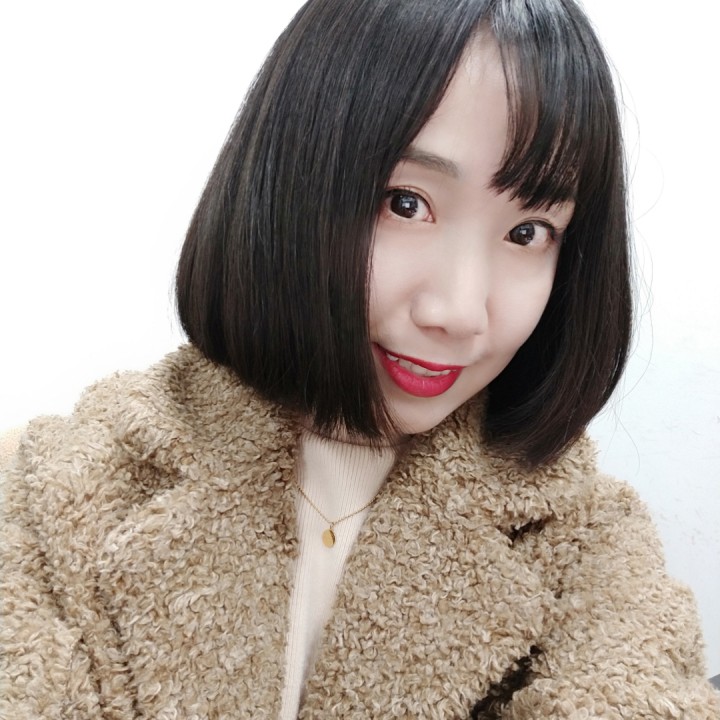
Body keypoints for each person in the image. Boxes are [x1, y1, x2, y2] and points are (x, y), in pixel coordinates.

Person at [2, 0, 718, 717]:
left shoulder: (591, 544)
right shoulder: (53, 492)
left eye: (528, 231)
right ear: (285, 183)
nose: (459, 311)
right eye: (405, 203)